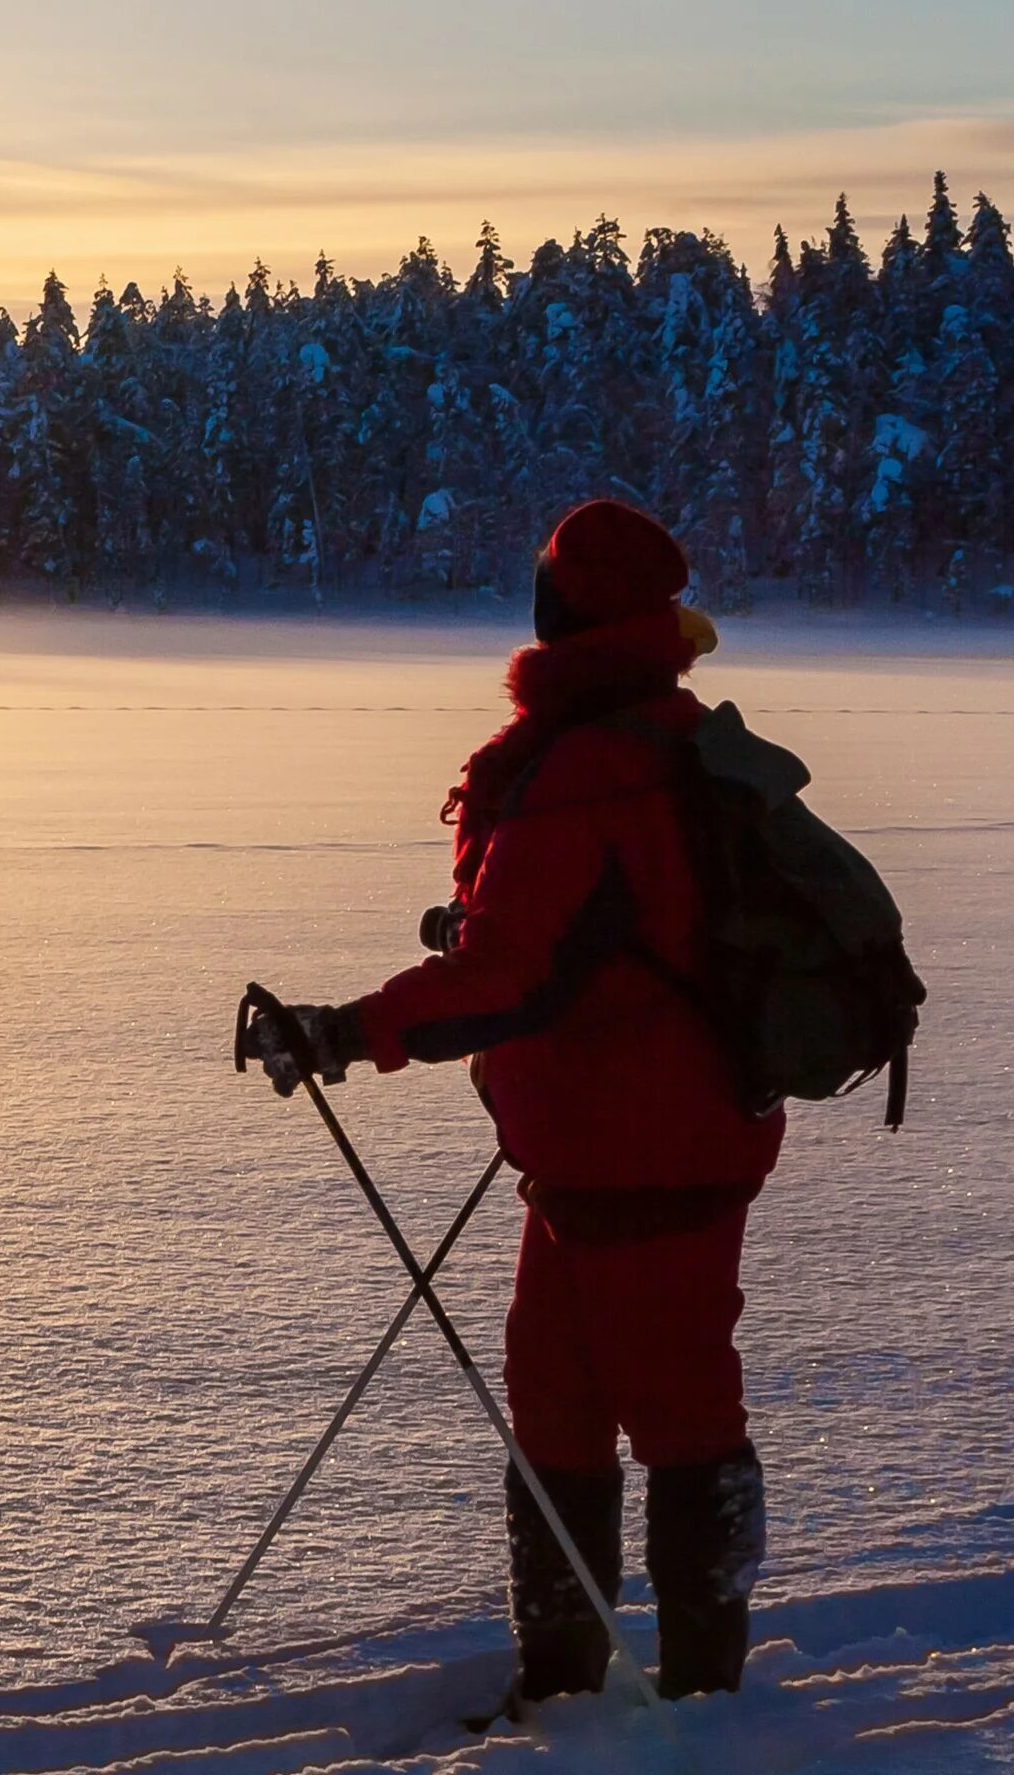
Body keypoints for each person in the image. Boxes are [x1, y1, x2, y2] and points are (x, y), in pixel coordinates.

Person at [246, 499, 778, 1704]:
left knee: (679, 1411)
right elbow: (586, 927)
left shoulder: (596, 765)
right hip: (595, 1143)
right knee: (557, 1406)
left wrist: (344, 1032)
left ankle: (705, 1698)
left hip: (654, 1145)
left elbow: (514, 975)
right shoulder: (647, 735)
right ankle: (566, 1685)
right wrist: (475, 933)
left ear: (565, 609)